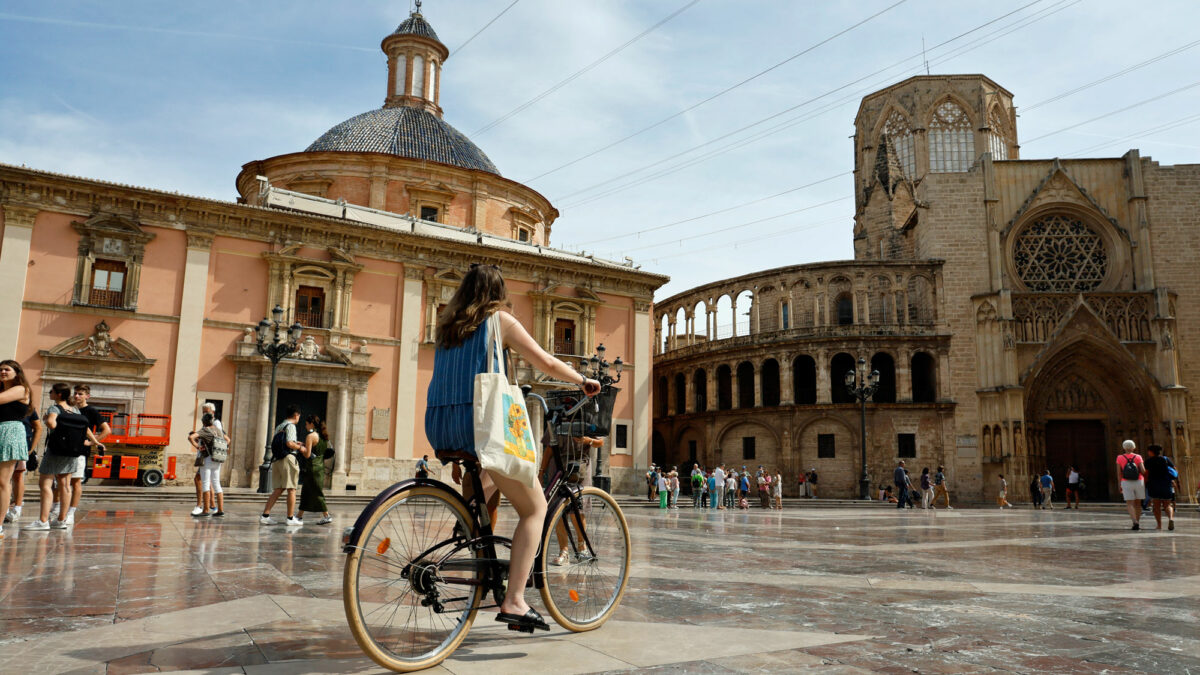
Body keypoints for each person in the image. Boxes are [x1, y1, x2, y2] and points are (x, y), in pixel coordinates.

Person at [423, 263, 599, 632]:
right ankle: (515, 601)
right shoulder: (499, 321)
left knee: (482, 503)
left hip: (445, 426)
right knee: (535, 509)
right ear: (497, 293)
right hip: (483, 426)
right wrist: (583, 379)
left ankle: (482, 571)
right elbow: (546, 361)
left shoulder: (445, 328)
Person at [26, 383, 104, 531]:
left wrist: (52, 423)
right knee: (65, 485)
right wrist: (95, 441)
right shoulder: (74, 410)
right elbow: (86, 428)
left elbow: (51, 423)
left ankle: (43, 521)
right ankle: (61, 520)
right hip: (72, 452)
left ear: (58, 395)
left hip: (56, 451)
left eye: (52, 392)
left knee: (45, 484)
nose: (50, 393)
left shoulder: (55, 408)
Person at [62, 385, 109, 525]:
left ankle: (71, 512)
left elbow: (107, 430)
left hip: (80, 451)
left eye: (80, 394)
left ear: (87, 396)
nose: (77, 396)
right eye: (75, 393)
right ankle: (58, 509)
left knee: (75, 482)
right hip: (64, 449)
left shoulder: (91, 411)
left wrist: (91, 442)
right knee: (61, 481)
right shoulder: (69, 408)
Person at [0, 360, 33, 540]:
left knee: (3, 481)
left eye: (7, 369)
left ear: (16, 372)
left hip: (9, 431)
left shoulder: (21, 389)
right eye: (1, 370)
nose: (3, 372)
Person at [261, 405, 304, 526]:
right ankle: (290, 518)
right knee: (292, 489)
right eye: (299, 416)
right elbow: (289, 443)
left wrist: (295, 443)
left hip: (277, 460)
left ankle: (265, 515)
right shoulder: (291, 426)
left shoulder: (280, 426)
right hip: (288, 458)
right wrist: (300, 447)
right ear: (296, 415)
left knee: (278, 489)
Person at [6, 407, 42, 525]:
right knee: (8, 478)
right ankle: (8, 508)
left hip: (21, 444)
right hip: (8, 442)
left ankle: (16, 507)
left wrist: (31, 448)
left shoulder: (27, 406)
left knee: (17, 476)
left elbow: (38, 427)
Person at [187, 413, 228, 518]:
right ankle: (221, 510)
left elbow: (191, 437)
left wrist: (197, 446)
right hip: (217, 459)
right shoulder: (219, 430)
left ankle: (205, 510)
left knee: (205, 483)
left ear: (204, 422)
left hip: (208, 459)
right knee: (216, 484)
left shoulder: (205, 430)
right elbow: (228, 440)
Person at [297, 414, 333, 525]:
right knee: (306, 491)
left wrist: (300, 448)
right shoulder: (322, 436)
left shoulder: (310, 436)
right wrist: (304, 444)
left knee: (317, 492)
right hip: (319, 467)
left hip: (312, 467)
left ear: (311, 423)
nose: (305, 426)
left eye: (307, 424)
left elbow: (307, 455)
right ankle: (299, 516)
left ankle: (327, 516)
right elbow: (317, 450)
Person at [1143, 444, 1176, 531]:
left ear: (1151, 452)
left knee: (1156, 506)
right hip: (1166, 484)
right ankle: (1171, 519)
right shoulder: (1165, 459)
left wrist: (1145, 484)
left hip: (1154, 485)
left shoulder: (1148, 461)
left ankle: (1159, 525)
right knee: (1168, 505)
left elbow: (1146, 474)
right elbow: (1174, 469)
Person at [1116, 440, 1146, 530]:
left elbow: (1119, 473)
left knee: (1129, 503)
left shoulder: (1119, 457)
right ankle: (1138, 521)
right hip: (1139, 481)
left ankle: (1134, 521)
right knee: (1138, 503)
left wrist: (1119, 484)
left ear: (1124, 447)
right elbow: (1143, 471)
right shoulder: (1138, 457)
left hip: (1126, 481)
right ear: (1134, 447)